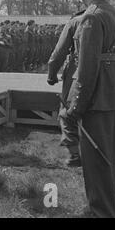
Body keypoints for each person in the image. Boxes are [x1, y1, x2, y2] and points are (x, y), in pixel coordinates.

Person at [61, 0, 115, 218]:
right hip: (113, 97)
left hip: (95, 101)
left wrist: (75, 107)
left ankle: (101, 213)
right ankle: (104, 211)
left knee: (96, 164)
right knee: (107, 162)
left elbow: (86, 70)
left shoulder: (91, 17)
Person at [47, 9, 87, 167]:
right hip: (107, 74)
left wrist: (51, 74)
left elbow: (59, 52)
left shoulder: (75, 22)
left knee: (67, 112)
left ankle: (74, 155)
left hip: (77, 72)